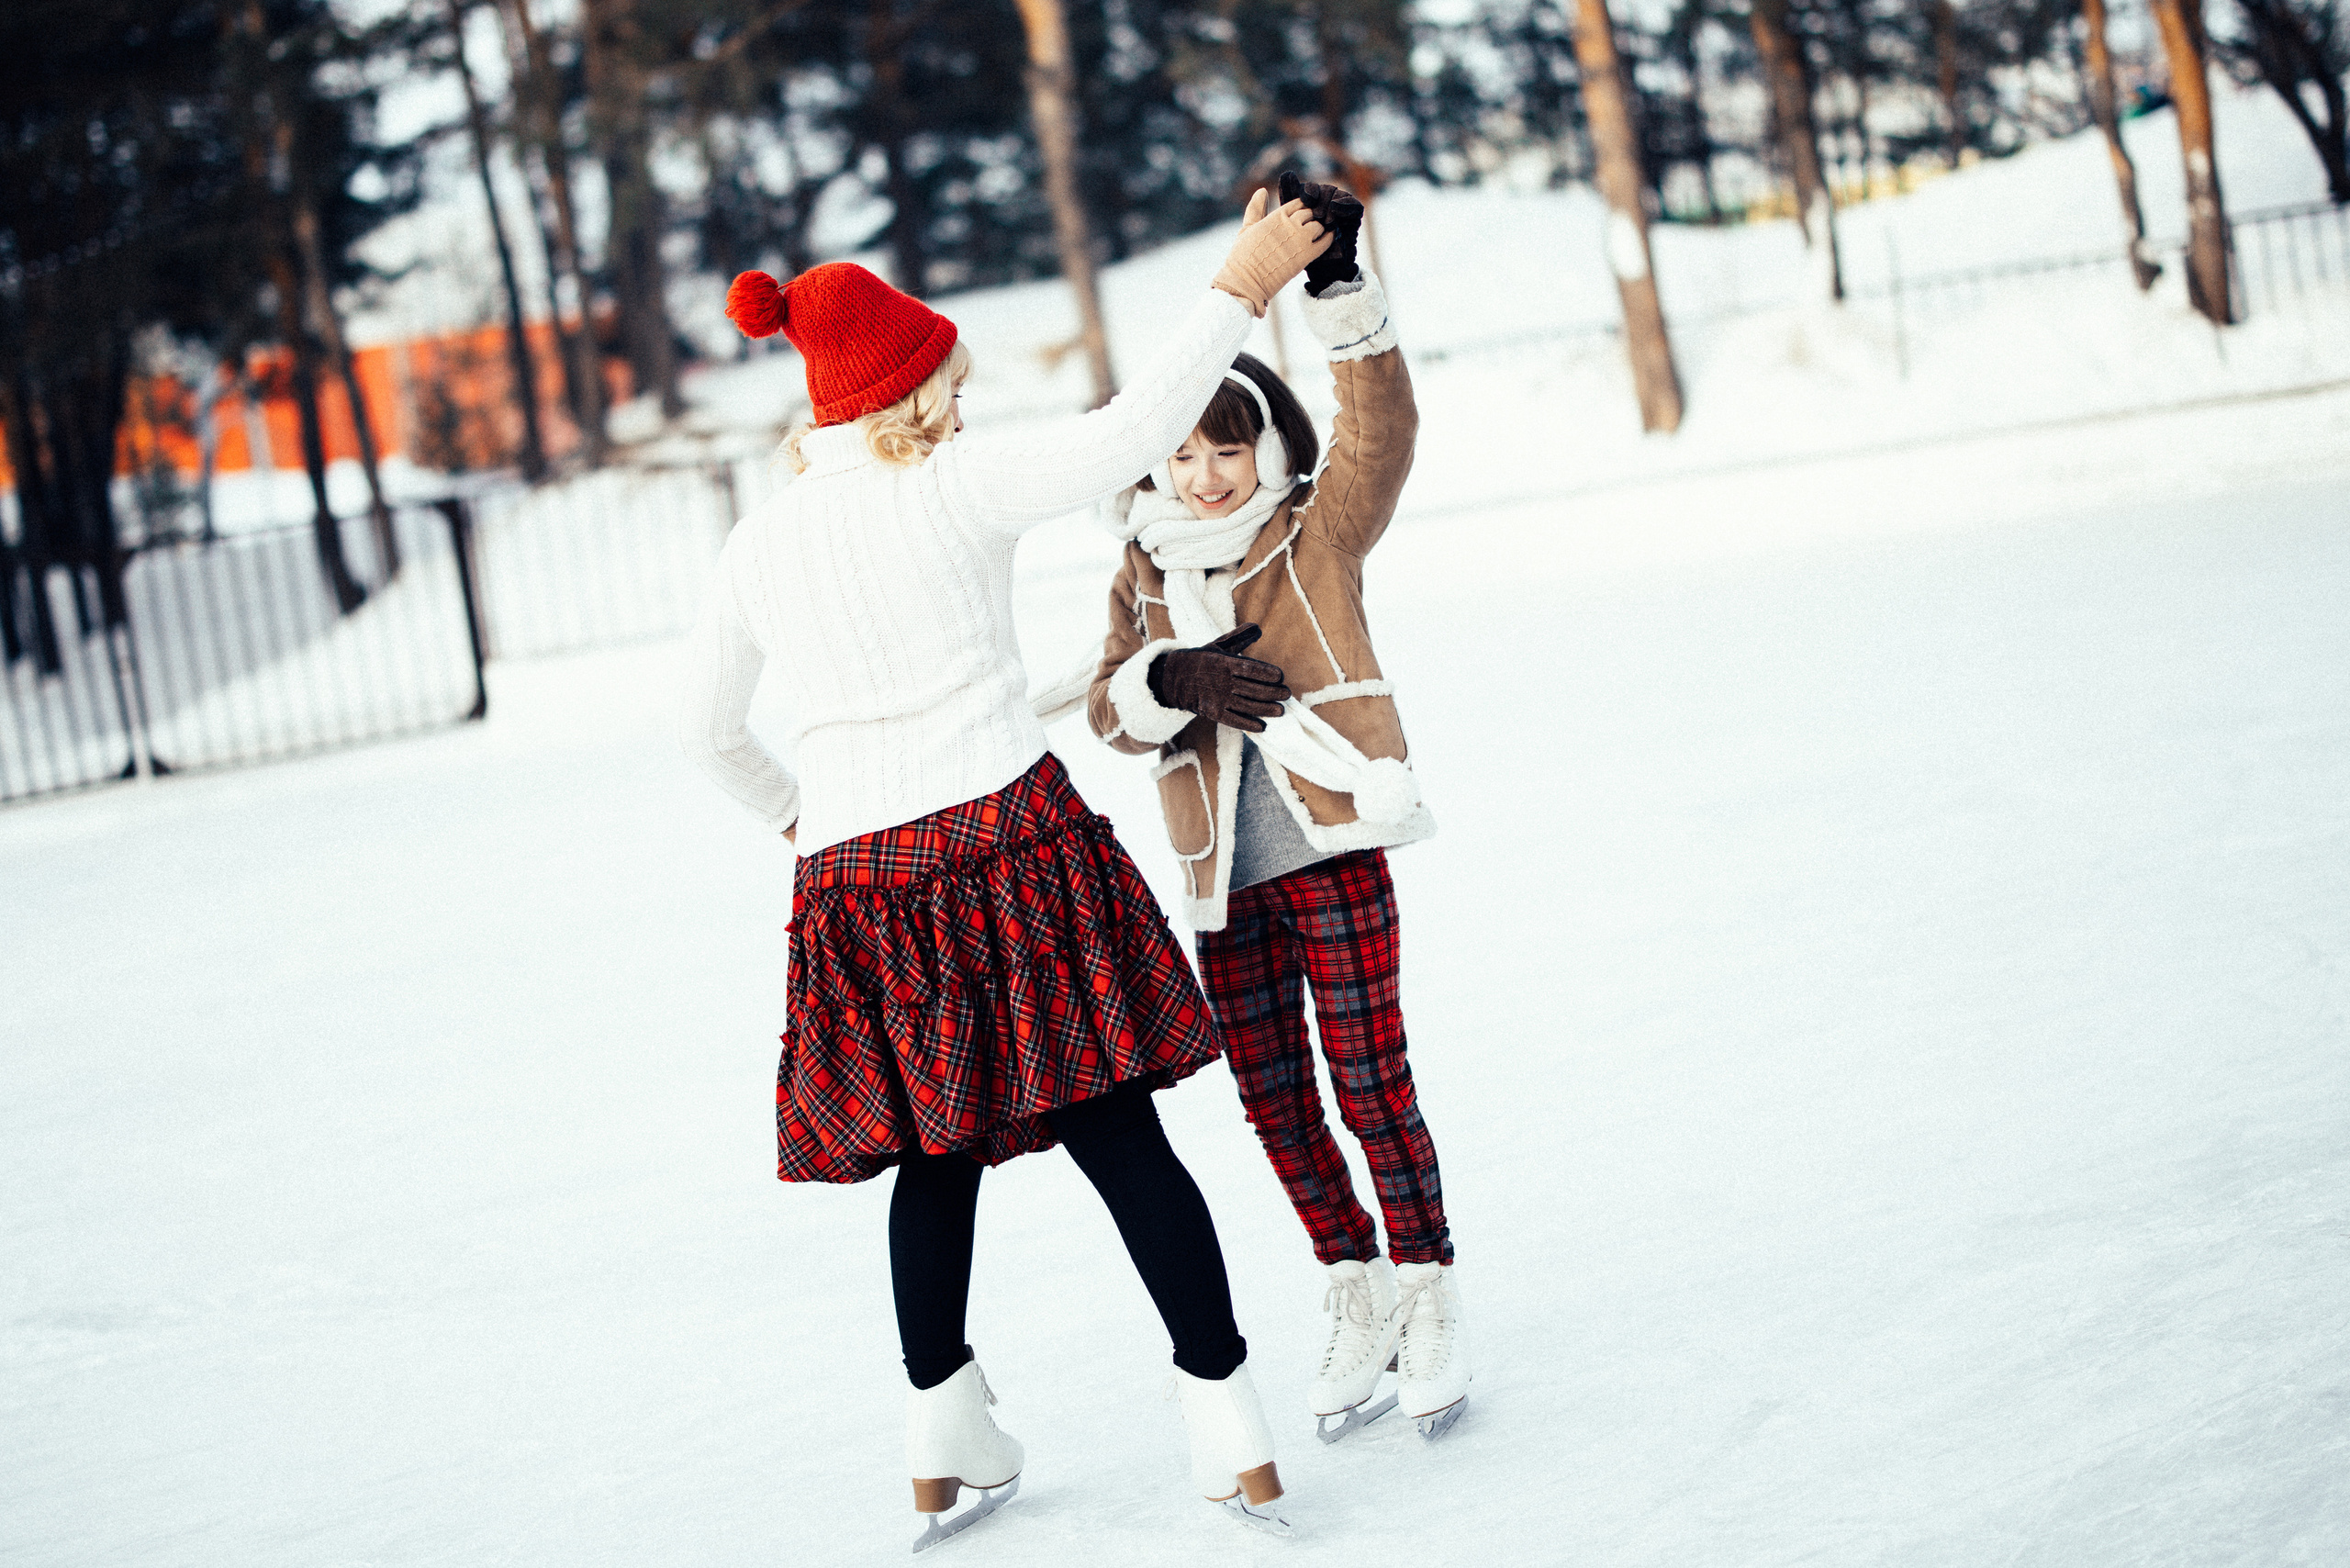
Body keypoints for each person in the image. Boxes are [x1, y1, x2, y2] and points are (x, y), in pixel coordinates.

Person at [675, 196, 1327, 1549]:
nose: (966, 409)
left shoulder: (762, 540)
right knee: (1120, 1135)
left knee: (936, 1159)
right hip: (1009, 846)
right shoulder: (955, 482)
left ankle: (940, 1429)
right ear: (913, 390)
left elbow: (704, 734)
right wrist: (1243, 281)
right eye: (953, 385)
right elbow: (1141, 429)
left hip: (861, 883)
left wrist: (807, 820)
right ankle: (1228, 1419)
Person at [1083, 175, 1470, 1443]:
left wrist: (1338, 284)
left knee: (1369, 1080)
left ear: (1267, 446)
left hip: (1330, 850)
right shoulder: (1143, 569)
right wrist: (1166, 677)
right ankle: (1352, 1284)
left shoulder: (1316, 533)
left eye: (1226, 447)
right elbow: (1103, 709)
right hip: (1218, 885)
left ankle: (1427, 1288)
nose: (1202, 476)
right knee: (1274, 1103)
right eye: (1181, 452)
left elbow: (1384, 426)